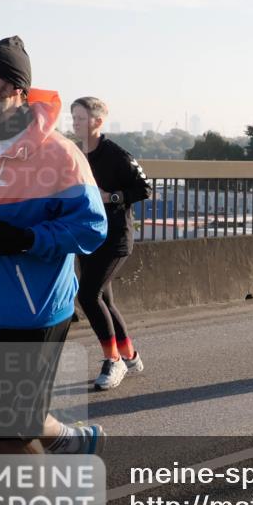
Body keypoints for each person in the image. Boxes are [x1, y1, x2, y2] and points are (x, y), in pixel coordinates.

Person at [0, 36, 108, 454]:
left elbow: (90, 228)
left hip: (31, 310)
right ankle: (70, 441)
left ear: (16, 88)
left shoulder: (58, 154)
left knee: (5, 429)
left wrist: (28, 238)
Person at [71, 97, 152, 390]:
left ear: (97, 122)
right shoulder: (75, 152)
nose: (75, 123)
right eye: (74, 118)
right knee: (104, 299)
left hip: (115, 237)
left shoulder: (116, 154)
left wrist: (112, 197)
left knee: (89, 295)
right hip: (87, 235)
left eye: (80, 118)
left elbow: (144, 188)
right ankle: (130, 354)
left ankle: (113, 360)